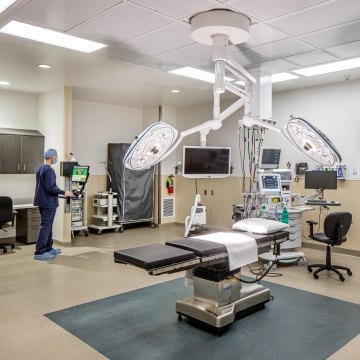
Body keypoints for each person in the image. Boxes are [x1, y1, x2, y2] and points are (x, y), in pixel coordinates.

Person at [33, 149, 73, 260]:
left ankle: (48, 248)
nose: (56, 158)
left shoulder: (40, 168)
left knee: (48, 226)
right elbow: (50, 188)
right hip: (48, 203)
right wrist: (65, 192)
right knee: (45, 227)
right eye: (55, 156)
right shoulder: (49, 170)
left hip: (42, 201)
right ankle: (39, 252)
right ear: (52, 157)